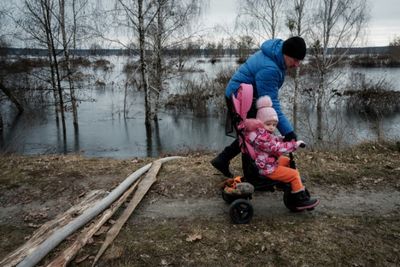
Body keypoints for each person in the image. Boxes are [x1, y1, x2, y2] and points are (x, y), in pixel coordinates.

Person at [211, 36, 306, 178]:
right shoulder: (270, 68)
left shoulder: (276, 55)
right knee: (253, 134)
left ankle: (223, 159)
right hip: (240, 97)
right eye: (295, 60)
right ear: (286, 54)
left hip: (244, 95)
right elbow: (271, 103)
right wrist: (288, 132)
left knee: (249, 135)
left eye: (300, 61)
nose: (297, 64)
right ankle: (252, 177)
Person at [243, 95, 319, 209]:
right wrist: (294, 144)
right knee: (294, 174)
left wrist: (281, 138)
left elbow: (272, 141)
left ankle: (286, 184)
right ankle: (299, 199)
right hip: (267, 168)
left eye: (274, 125)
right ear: (260, 122)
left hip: (266, 161)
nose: (272, 127)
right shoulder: (262, 138)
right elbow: (276, 148)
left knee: (287, 161)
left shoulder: (259, 134)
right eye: (268, 124)